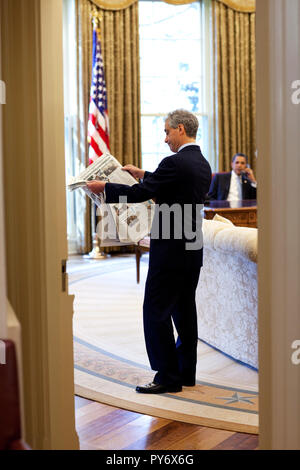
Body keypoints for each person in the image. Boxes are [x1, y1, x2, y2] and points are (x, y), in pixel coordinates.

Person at [87, 109, 212, 394]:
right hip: (192, 246)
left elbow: (140, 194)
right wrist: (144, 174)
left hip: (170, 247)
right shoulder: (202, 163)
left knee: (155, 310)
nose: (165, 138)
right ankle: (185, 372)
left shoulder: (175, 162)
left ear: (181, 129)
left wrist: (104, 188)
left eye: (167, 131)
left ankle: (167, 377)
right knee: (184, 310)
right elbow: (172, 186)